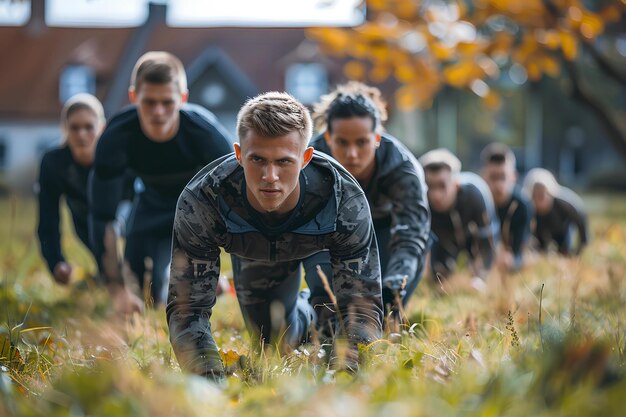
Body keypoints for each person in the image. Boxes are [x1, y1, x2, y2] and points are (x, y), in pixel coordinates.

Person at [167, 92, 383, 381]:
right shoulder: (203, 200)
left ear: (306, 158)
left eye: (283, 161)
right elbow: (188, 308)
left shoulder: (343, 198)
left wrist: (342, 380)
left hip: (322, 242)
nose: (270, 175)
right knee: (274, 342)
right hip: (253, 248)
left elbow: (364, 306)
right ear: (239, 154)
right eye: (258, 159)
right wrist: (208, 382)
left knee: (340, 318)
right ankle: (307, 314)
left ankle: (321, 311)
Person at [89, 51, 233, 310]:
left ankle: (205, 278)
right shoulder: (116, 137)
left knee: (189, 286)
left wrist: (211, 260)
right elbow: (102, 216)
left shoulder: (205, 134)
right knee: (146, 294)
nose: (158, 112)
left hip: (195, 208)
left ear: (183, 98)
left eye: (167, 102)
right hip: (150, 203)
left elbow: (235, 200)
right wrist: (117, 288)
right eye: (149, 102)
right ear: (134, 97)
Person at [304, 82, 430, 320]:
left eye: (361, 142)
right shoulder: (311, 162)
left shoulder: (402, 167)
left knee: (385, 304)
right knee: (328, 306)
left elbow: (412, 233)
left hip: (384, 230)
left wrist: (395, 283)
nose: (352, 154)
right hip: (328, 234)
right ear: (328, 137)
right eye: (342, 142)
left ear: (377, 138)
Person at [37, 94, 108, 285]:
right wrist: (55, 262)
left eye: (88, 127)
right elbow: (48, 217)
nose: (81, 134)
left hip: (120, 215)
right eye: (74, 128)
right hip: (83, 220)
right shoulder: (53, 163)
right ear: (65, 129)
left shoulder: (115, 156)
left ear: (102, 127)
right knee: (107, 273)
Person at [419, 148, 498, 281]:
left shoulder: (475, 195)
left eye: (442, 185)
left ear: (455, 184)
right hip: (443, 241)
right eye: (430, 186)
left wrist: (481, 278)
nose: (436, 195)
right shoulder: (422, 201)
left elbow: (487, 242)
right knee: (438, 279)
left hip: (474, 238)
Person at [480, 143, 533, 271]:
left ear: (513, 176)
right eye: (493, 177)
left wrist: (512, 260)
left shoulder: (523, 205)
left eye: (503, 177)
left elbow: (520, 250)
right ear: (484, 176)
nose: (498, 184)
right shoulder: (477, 203)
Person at [522, 168, 588, 256]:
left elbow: (580, 218)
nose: (540, 198)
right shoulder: (528, 207)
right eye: (535, 195)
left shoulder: (564, 203)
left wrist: (582, 244)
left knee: (565, 250)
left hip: (562, 228)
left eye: (542, 194)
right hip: (540, 231)